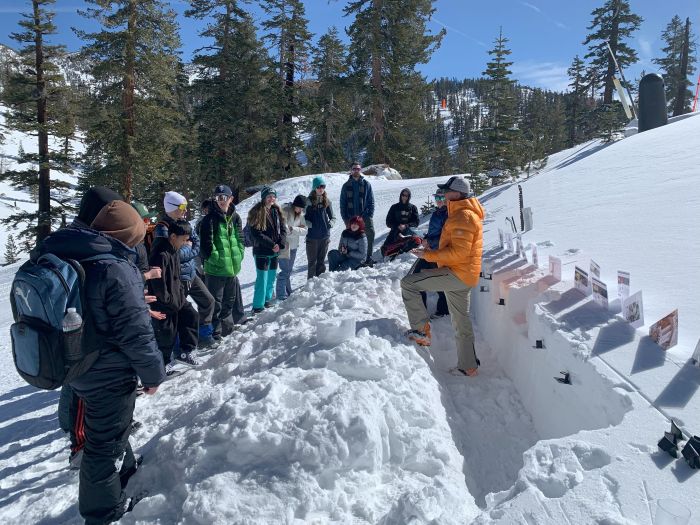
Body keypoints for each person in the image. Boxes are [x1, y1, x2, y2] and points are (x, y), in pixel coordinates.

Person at [39, 198, 164, 524]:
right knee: (102, 446)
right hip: (107, 371)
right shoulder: (116, 268)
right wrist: (153, 375)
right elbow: (136, 333)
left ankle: (124, 474)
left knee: (107, 429)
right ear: (124, 234)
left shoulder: (76, 253)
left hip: (78, 362)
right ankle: (103, 513)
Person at [400, 176, 485, 377]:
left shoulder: (463, 216)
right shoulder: (462, 213)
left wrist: (427, 255)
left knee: (409, 284)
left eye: (447, 190)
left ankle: (421, 332)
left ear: (456, 194)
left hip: (457, 273)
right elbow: (457, 247)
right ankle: (468, 365)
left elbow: (460, 253)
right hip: (464, 274)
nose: (443, 194)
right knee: (460, 321)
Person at [154, 191, 216, 347]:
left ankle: (204, 335)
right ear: (171, 207)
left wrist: (187, 249)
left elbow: (196, 243)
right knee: (177, 312)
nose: (186, 210)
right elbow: (172, 256)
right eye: (182, 206)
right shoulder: (163, 229)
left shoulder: (185, 223)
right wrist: (188, 250)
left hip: (191, 273)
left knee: (208, 300)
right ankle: (176, 345)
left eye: (186, 206)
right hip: (177, 277)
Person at [149, 219, 200, 371]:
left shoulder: (174, 250)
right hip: (163, 302)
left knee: (191, 315)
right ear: (172, 236)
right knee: (166, 335)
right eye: (183, 240)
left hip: (176, 298)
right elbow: (158, 283)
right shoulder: (161, 253)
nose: (185, 243)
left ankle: (186, 352)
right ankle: (162, 366)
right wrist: (168, 300)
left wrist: (179, 296)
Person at [199, 184, 246, 339]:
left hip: (232, 268)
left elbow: (240, 239)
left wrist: (239, 254)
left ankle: (227, 330)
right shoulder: (209, 220)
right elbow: (205, 247)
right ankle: (216, 333)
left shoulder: (235, 217)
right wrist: (216, 259)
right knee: (216, 304)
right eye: (218, 197)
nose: (221, 200)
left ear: (231, 198)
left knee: (229, 302)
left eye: (224, 197)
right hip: (216, 270)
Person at [247, 186, 287, 313]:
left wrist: (281, 243)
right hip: (261, 251)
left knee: (271, 277)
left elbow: (283, 229)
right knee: (262, 279)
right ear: (264, 197)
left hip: (274, 251)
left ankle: (267, 300)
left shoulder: (277, 211)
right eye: (269, 196)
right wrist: (272, 244)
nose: (272, 199)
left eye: (273, 196)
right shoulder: (257, 212)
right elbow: (256, 233)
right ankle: (258, 306)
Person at [415, 189, 449, 318]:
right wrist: (426, 239)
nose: (439, 201)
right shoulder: (437, 213)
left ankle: (443, 312)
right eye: (437, 198)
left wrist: (430, 241)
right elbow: (434, 232)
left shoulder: (448, 215)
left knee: (439, 281)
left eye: (442, 198)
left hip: (440, 253)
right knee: (416, 277)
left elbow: (445, 237)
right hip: (430, 251)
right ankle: (420, 311)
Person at [340, 162, 375, 263]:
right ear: (351, 170)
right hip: (351, 218)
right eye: (354, 169)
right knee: (350, 239)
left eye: (358, 169)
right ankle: (353, 259)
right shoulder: (346, 186)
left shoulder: (366, 184)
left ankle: (368, 258)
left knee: (370, 234)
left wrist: (369, 215)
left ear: (361, 170)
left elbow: (371, 201)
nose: (356, 170)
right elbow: (343, 204)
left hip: (364, 217)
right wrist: (346, 219)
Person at [277, 194, 307, 300]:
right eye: (299, 207)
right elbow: (283, 228)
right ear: (295, 205)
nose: (300, 210)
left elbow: (305, 230)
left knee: (288, 271)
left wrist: (293, 229)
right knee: (284, 270)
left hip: (294, 245)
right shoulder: (285, 210)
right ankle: (281, 295)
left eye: (302, 208)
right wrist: (295, 229)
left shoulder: (302, 214)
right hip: (284, 245)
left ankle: (288, 291)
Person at [305, 176, 335, 279]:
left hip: (324, 236)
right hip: (312, 237)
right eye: (318, 186)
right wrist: (310, 225)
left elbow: (333, 217)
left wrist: (330, 224)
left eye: (323, 186)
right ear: (314, 188)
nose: (321, 189)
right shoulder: (308, 201)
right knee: (312, 262)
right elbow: (302, 218)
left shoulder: (326, 201)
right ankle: (310, 284)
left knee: (321, 261)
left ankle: (320, 283)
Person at [381, 188, 419, 256]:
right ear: (400, 195)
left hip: (407, 231)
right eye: (403, 195)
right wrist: (397, 225)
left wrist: (406, 225)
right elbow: (388, 222)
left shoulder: (413, 208)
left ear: (409, 197)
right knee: (384, 250)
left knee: (415, 241)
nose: (404, 197)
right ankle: (395, 250)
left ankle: (401, 251)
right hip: (395, 231)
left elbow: (416, 222)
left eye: (406, 196)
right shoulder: (394, 207)